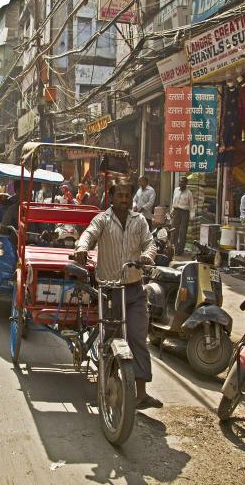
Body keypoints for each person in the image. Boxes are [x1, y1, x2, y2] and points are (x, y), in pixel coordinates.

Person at [73, 180, 161, 409]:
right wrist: (82, 248)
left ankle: (140, 393)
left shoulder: (139, 221)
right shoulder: (102, 219)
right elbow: (88, 235)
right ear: (110, 197)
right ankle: (107, 386)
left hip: (134, 288)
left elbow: (150, 243)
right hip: (109, 290)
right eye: (120, 195)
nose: (124, 199)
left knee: (138, 339)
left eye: (127, 195)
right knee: (110, 339)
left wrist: (148, 256)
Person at [171, 175, 195, 256]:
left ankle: (180, 250)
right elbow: (173, 201)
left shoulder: (189, 193)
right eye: (180, 182)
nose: (180, 183)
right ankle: (173, 248)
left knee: (182, 232)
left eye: (182, 182)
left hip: (184, 213)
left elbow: (192, 206)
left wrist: (192, 217)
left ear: (186, 183)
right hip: (176, 211)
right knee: (174, 230)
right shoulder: (176, 190)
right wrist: (172, 211)